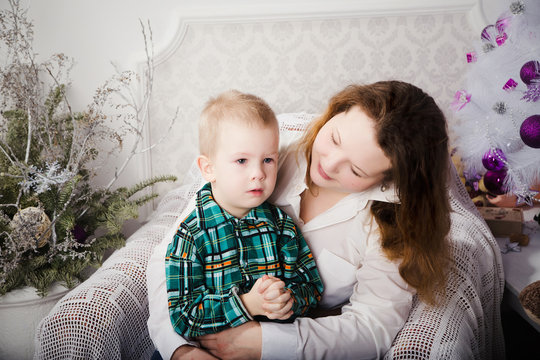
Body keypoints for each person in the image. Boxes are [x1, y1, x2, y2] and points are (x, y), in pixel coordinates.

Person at [147, 81, 452, 359]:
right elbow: (171, 257)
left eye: (356, 170)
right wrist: (180, 350)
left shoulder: (391, 226)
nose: (328, 165)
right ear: (336, 112)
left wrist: (266, 342)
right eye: (334, 139)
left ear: (389, 179)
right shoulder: (269, 157)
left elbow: (372, 327)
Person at [164, 90, 323, 339]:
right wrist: (247, 304)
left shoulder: (282, 226)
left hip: (274, 347)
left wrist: (287, 299)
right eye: (241, 161)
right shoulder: (192, 235)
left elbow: (311, 287)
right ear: (209, 169)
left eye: (268, 159)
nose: (258, 173)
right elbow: (184, 316)